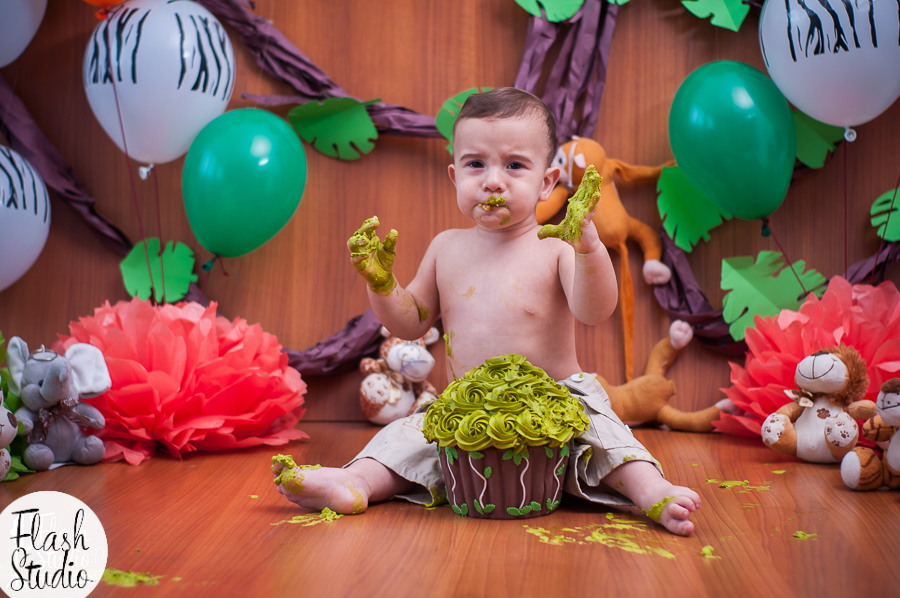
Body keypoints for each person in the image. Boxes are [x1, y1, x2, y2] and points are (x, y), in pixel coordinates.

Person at [272, 88, 700, 535]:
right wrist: (382, 284)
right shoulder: (446, 248)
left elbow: (595, 310)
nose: (493, 181)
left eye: (515, 165)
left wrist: (591, 251)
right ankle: (355, 482)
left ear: (547, 182)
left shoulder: (554, 246)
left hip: (560, 400)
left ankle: (651, 490)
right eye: (477, 164)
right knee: (404, 439)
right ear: (456, 177)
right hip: (470, 408)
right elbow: (411, 320)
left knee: (609, 440)